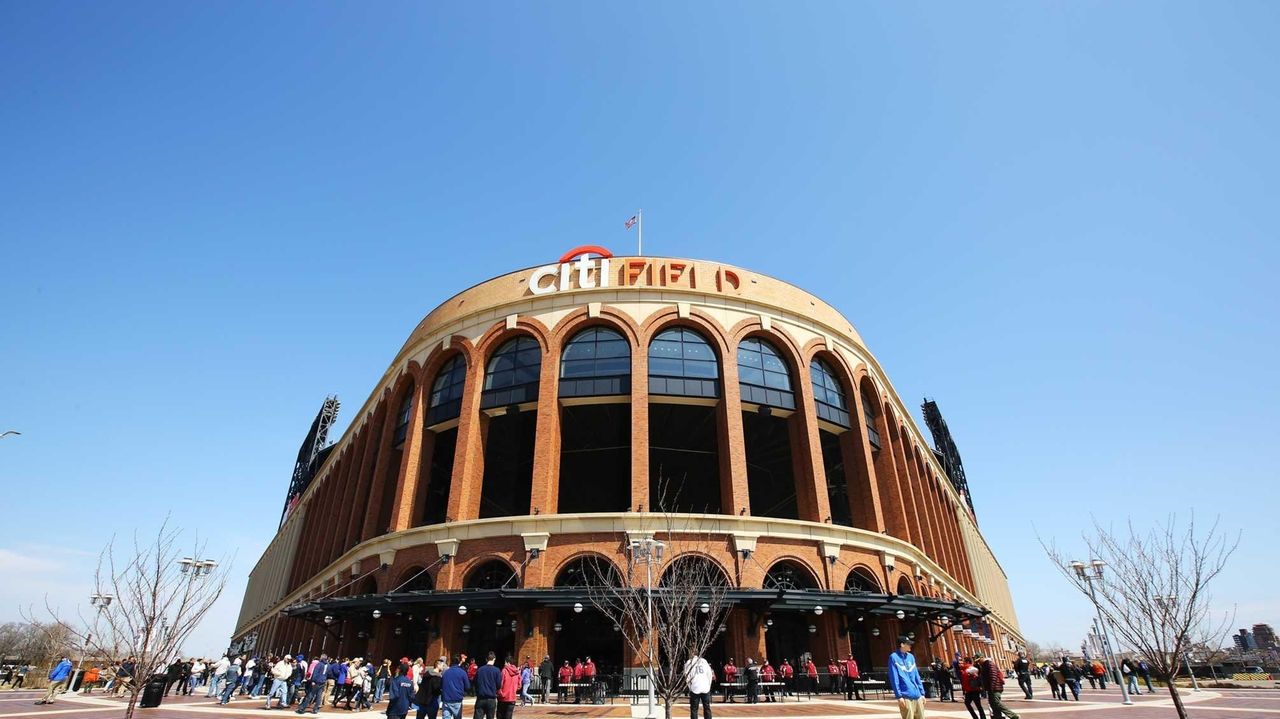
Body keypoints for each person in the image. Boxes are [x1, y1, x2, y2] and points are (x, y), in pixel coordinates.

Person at [887, 637, 925, 719]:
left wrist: (922, 693)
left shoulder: (911, 657)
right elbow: (894, 678)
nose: (910, 645)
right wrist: (899, 696)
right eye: (908, 644)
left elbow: (916, 676)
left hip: (917, 694)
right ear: (902, 644)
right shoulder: (893, 657)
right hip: (905, 695)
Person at [977, 653, 1018, 719]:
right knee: (993, 704)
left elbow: (993, 676)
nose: (978, 663)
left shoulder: (989, 664)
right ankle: (997, 717)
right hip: (991, 688)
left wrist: (992, 687)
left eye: (978, 660)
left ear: (982, 658)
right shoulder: (984, 665)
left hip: (995, 688)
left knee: (997, 703)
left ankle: (1013, 715)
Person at [683, 652, 714, 719]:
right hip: (705, 687)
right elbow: (709, 674)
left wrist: (690, 687)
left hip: (695, 687)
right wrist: (709, 685)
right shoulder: (704, 661)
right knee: (707, 707)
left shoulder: (689, 662)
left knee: (694, 709)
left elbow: (687, 676)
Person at [474, 652, 501, 719]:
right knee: (490, 717)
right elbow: (499, 685)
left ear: (486, 659)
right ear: (494, 659)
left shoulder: (480, 670)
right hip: (491, 698)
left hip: (481, 697)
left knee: (478, 716)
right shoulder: (497, 671)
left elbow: (475, 682)